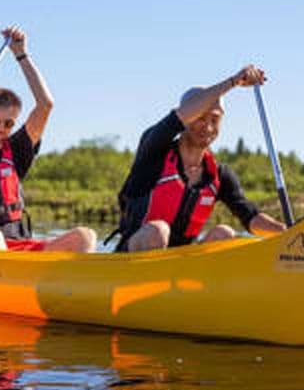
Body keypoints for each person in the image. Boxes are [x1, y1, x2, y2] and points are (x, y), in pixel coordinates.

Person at [0, 27, 96, 252]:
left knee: (85, 236)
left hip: (20, 247)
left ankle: (63, 275)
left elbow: (45, 104)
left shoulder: (16, 150)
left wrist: (21, 54)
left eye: (8, 124)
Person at [114, 65, 286, 252]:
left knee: (224, 234)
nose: (208, 127)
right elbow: (178, 117)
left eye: (215, 119)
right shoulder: (154, 149)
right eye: (201, 118)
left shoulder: (219, 175)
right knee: (158, 230)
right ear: (187, 116)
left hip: (182, 261)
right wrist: (233, 82)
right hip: (131, 256)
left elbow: (251, 217)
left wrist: (289, 232)